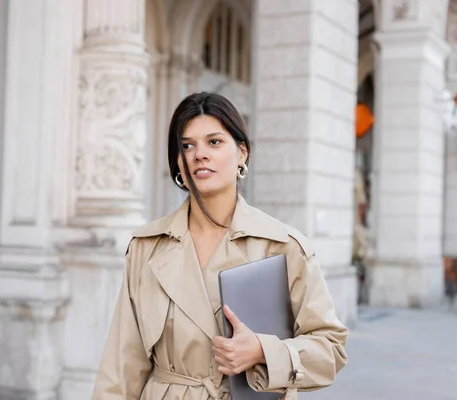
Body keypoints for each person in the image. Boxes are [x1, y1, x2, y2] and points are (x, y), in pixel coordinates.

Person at [92, 92, 348, 399]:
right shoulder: (146, 248)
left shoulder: (282, 246)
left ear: (242, 153)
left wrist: (263, 352)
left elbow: (330, 349)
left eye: (214, 142)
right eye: (187, 145)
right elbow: (122, 364)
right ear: (178, 162)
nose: (200, 154)